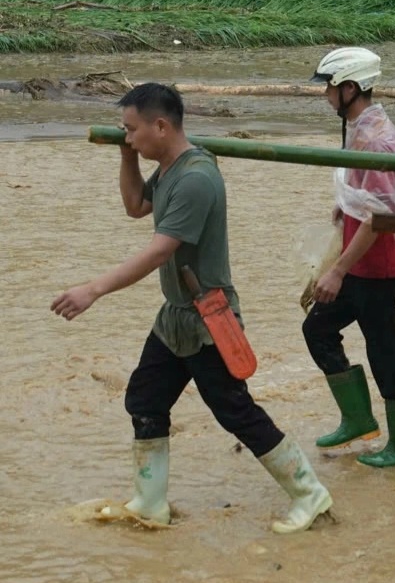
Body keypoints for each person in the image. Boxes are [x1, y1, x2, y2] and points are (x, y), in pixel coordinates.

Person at [51, 83, 332, 532]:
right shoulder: (167, 169)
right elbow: (134, 205)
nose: (129, 137)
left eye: (133, 130)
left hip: (207, 316)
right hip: (176, 318)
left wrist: (94, 289)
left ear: (160, 126)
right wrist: (126, 154)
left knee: (235, 411)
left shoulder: (196, 178)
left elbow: (160, 251)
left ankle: (309, 493)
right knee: (144, 399)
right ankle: (150, 502)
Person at [301, 47, 395, 467]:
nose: (326, 97)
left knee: (384, 350)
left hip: (377, 266)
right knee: (317, 329)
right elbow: (363, 198)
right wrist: (344, 207)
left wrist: (336, 271)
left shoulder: (379, 141)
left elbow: (379, 218)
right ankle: (358, 418)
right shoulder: (360, 131)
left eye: (330, 88)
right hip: (359, 263)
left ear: (350, 89)